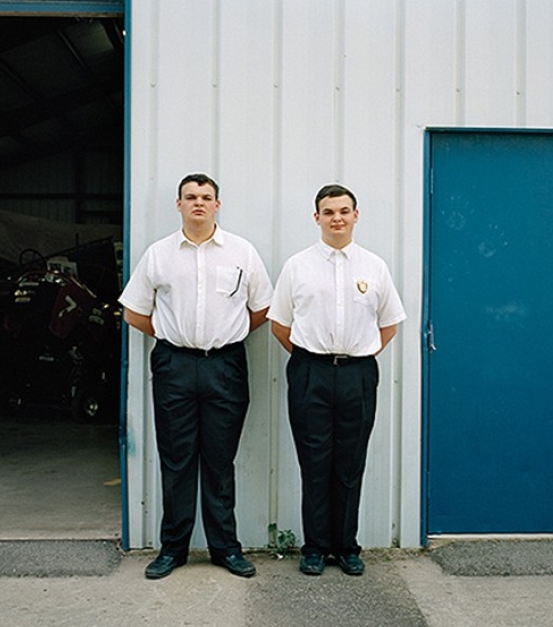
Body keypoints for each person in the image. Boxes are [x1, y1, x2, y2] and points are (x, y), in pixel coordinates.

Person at [119, 173, 273, 579]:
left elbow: (261, 308)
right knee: (178, 459)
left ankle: (226, 549)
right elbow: (134, 310)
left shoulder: (242, 252)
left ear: (218, 204)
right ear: (179, 205)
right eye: (191, 197)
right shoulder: (159, 254)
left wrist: (225, 337)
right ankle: (173, 549)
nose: (199, 203)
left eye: (206, 197)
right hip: (175, 366)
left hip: (226, 365)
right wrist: (173, 336)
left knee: (220, 462)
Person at [268, 184, 406, 576]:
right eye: (328, 212)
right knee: (314, 462)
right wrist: (314, 358)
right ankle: (314, 547)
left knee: (349, 463)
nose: (337, 218)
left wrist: (356, 357)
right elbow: (280, 325)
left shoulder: (374, 266)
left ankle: (347, 546)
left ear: (356, 215)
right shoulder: (298, 266)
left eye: (344, 211)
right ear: (317, 218)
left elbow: (389, 323)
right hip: (310, 372)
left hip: (357, 375)